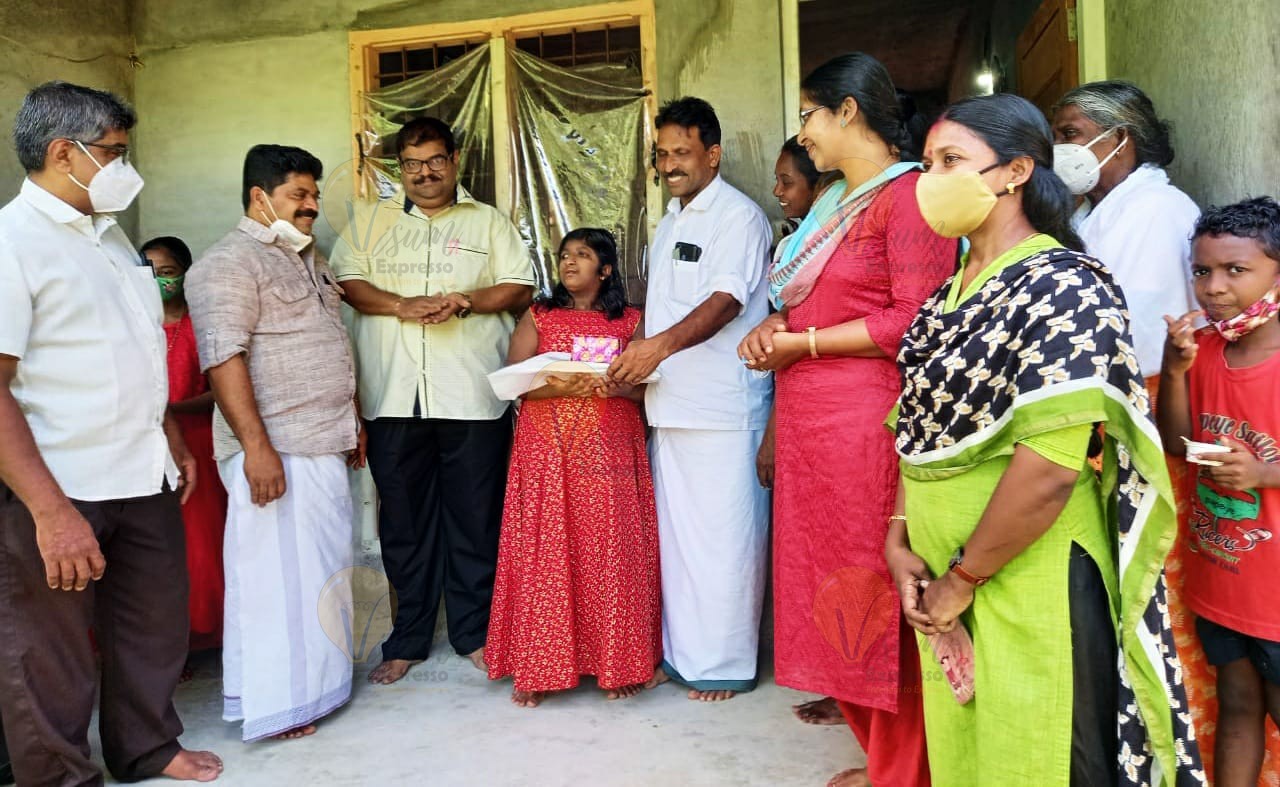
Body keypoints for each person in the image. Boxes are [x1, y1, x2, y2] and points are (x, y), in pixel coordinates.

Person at [888, 93, 1201, 785]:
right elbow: (913, 425)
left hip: (1026, 569)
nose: (930, 180)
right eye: (928, 162)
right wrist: (900, 537)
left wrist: (961, 580)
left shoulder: (1065, 288)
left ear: (1015, 171)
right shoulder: (949, 294)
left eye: (952, 160)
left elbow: (1052, 467)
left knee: (1041, 750)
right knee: (968, 751)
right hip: (942, 573)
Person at [740, 53, 956, 786]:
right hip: (813, 428)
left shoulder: (910, 199)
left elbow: (913, 321)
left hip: (869, 427)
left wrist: (798, 341)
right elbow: (809, 302)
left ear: (849, 111)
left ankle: (907, 771)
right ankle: (883, 758)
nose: (802, 132)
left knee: (878, 592)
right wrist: (778, 334)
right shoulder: (837, 199)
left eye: (808, 114)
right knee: (829, 588)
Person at [0, 81, 221, 784]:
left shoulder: (110, 235)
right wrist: (49, 510)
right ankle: (60, 775)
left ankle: (148, 745)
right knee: (50, 651)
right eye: (114, 153)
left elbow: (136, 347)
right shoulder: (12, 243)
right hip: (61, 484)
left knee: (150, 627)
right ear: (63, 153)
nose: (125, 167)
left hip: (141, 471)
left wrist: (170, 435)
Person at [329, 116, 536, 686]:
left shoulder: (488, 221)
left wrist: (464, 300)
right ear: (400, 168)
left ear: (455, 159)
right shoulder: (370, 223)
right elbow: (346, 281)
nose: (424, 173)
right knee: (405, 525)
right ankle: (409, 636)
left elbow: (520, 286)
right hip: (394, 396)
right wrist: (400, 305)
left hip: (470, 394)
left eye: (435, 161)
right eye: (413, 164)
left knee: (475, 520)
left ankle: (474, 632)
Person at [186, 144, 365, 742]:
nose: (313, 205)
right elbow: (222, 360)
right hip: (277, 450)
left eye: (315, 194)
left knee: (317, 572)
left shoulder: (300, 257)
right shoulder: (227, 263)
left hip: (320, 441)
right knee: (275, 582)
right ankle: (278, 704)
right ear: (260, 197)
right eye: (300, 195)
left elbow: (328, 343)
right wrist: (257, 448)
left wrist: (352, 420)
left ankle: (316, 689)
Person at [607, 96, 773, 702]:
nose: (670, 163)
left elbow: (727, 302)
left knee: (725, 543)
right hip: (671, 405)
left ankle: (724, 664)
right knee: (677, 546)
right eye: (662, 154)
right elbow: (666, 307)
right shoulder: (672, 219)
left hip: (724, 409)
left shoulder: (740, 216)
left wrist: (656, 349)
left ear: (713, 153)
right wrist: (634, 355)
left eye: (681, 151)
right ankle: (681, 658)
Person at [484, 228, 661, 708]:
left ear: (605, 269)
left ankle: (617, 663)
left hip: (610, 449)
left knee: (610, 549)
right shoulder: (539, 314)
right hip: (549, 449)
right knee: (546, 550)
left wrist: (614, 387)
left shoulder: (631, 321)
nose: (570, 262)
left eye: (583, 255)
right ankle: (537, 667)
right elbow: (512, 383)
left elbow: (648, 387)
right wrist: (560, 388)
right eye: (564, 255)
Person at [1156, 196, 1280, 787]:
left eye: (1236, 270)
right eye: (1202, 271)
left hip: (1276, 591)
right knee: (1237, 701)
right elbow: (1178, 445)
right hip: (1223, 573)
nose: (1214, 288)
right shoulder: (1201, 351)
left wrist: (1263, 475)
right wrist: (1174, 371)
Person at [1051, 80, 1200, 384]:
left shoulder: (1159, 209)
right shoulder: (1091, 212)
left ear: (1119, 138)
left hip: (1140, 390)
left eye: (1069, 134)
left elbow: (1141, 328)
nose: (1058, 149)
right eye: (1055, 138)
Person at [144, 235, 228, 655]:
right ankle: (162, 643)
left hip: (196, 445)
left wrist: (173, 409)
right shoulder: (136, 327)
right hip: (143, 447)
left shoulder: (202, 327)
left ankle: (199, 636)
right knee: (151, 549)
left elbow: (222, 389)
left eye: (168, 272)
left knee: (198, 546)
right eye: (150, 273)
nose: (159, 281)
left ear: (185, 275)